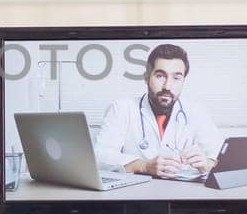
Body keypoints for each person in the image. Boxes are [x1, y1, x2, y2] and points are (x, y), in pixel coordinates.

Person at [93, 43, 224, 177]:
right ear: (146, 78)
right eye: (160, 76)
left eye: (176, 78)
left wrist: (207, 163)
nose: (167, 86)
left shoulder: (196, 111)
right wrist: (143, 166)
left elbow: (221, 158)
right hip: (136, 192)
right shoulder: (122, 108)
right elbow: (100, 157)